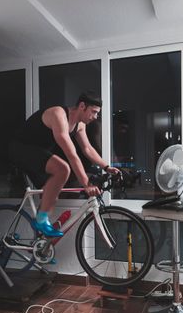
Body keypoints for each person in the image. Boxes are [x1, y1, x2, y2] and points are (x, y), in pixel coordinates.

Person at [9, 91, 120, 237]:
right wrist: (86, 184)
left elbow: (87, 149)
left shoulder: (80, 125)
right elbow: (72, 155)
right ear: (82, 106)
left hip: (40, 152)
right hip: (21, 148)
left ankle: (41, 247)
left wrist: (106, 166)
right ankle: (41, 221)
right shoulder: (58, 115)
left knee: (53, 192)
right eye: (93, 112)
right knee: (63, 169)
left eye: (97, 113)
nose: (95, 117)